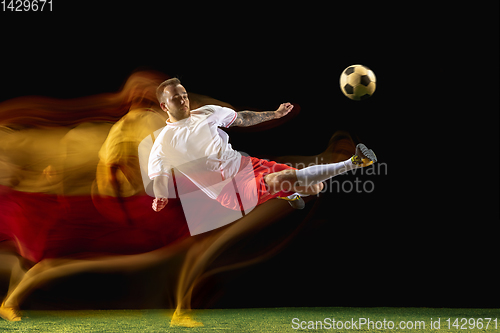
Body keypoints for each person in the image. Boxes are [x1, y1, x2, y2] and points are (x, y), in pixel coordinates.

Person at [149, 78, 377, 216]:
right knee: (285, 178)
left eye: (184, 95)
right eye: (176, 98)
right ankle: (355, 162)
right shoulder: (163, 143)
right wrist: (160, 195)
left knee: (315, 188)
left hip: (247, 165)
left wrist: (275, 114)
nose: (183, 100)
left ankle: (288, 193)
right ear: (164, 105)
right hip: (229, 191)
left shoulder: (207, 112)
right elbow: (159, 176)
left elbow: (243, 118)